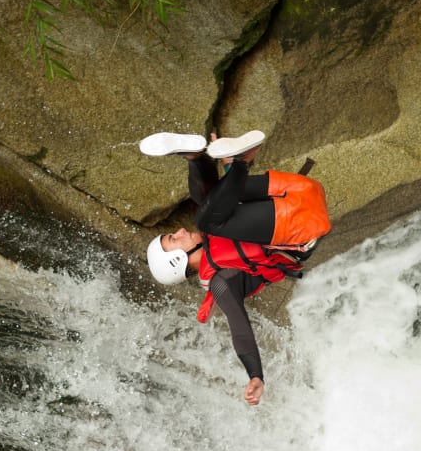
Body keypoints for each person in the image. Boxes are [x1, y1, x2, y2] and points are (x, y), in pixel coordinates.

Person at [141, 130, 330, 406]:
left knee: (207, 202)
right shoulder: (222, 282)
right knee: (206, 217)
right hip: (302, 226)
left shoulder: (216, 230)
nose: (180, 231)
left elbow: (227, 200)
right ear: (177, 261)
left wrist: (232, 166)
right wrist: (256, 375)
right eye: (174, 239)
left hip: (296, 195)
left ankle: (197, 156)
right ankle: (234, 161)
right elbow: (240, 330)